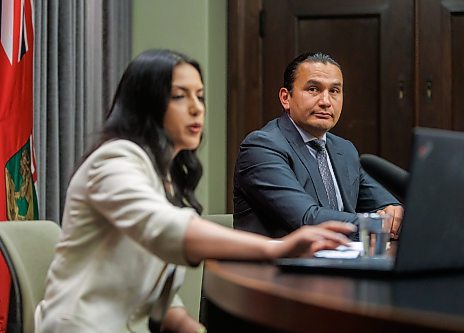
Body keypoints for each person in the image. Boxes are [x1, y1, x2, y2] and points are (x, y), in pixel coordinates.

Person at [34, 49, 356, 333]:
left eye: (199, 96)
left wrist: (188, 325)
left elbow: (148, 275)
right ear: (145, 103)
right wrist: (276, 248)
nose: (196, 108)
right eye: (179, 96)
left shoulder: (162, 174)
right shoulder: (115, 160)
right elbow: (164, 228)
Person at [233, 52, 404, 239]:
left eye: (334, 91)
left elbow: (386, 207)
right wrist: (374, 224)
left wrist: (393, 214)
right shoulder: (262, 147)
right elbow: (307, 219)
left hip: (340, 264)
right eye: (313, 89)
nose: (325, 102)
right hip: (277, 266)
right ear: (285, 98)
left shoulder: (344, 150)